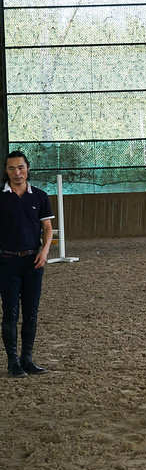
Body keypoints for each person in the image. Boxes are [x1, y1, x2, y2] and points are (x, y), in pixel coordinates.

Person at [0, 151, 53, 377]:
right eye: (12, 168)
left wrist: (45, 250)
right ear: (6, 171)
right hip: (7, 262)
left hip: (33, 262)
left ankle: (27, 359)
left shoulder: (39, 196)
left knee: (31, 313)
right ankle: (13, 361)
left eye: (20, 167)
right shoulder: (0, 197)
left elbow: (48, 228)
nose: (17, 172)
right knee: (10, 313)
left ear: (28, 168)